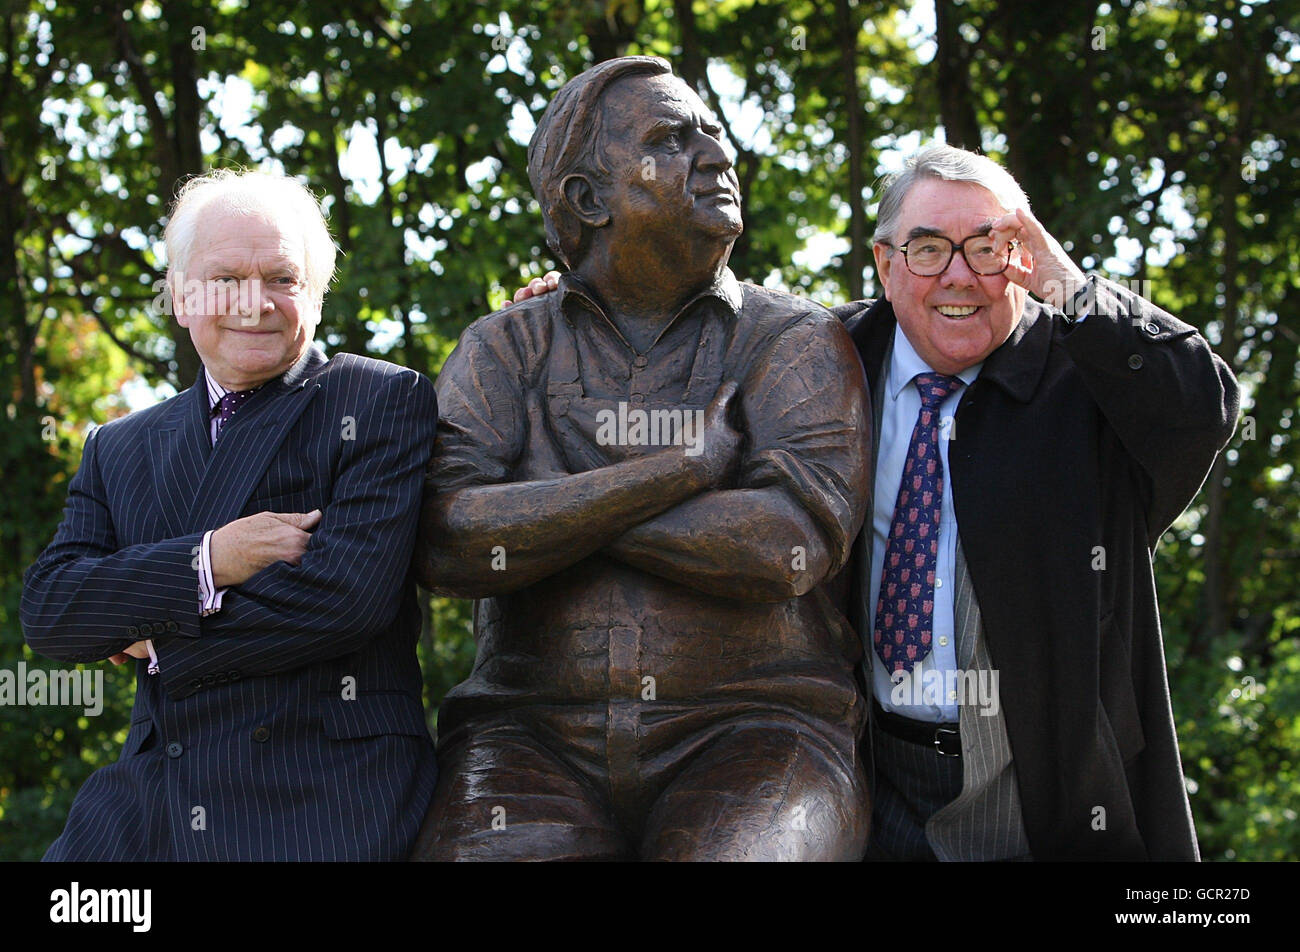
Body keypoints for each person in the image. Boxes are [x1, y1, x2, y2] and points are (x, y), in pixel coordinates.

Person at [515, 144, 1240, 861]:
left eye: (988, 248)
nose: (960, 277)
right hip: (870, 773)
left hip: (1040, 791)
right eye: (928, 249)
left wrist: (1070, 286)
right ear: (885, 264)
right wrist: (587, 315)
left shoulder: (1083, 373)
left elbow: (1202, 407)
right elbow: (671, 375)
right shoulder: (819, 358)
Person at [411, 56, 872, 861]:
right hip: (528, 740)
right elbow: (448, 540)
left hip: (758, 731)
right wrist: (680, 472)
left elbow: (785, 546)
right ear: (587, 199)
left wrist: (551, 502)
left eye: (715, 133)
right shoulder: (504, 346)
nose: (717, 155)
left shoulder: (794, 339)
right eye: (671, 137)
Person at [22, 169, 439, 861]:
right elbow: (52, 609)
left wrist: (156, 638)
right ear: (182, 297)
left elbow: (345, 600)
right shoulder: (119, 447)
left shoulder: (377, 400)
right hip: (154, 794)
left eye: (282, 278)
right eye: (225, 279)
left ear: (314, 294)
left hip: (320, 795)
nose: (256, 302)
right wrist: (209, 562)